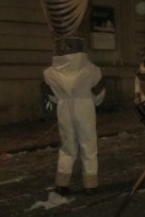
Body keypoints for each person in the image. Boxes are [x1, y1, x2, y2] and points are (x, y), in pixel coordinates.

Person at [43, 37, 106, 195]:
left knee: (67, 146)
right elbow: (99, 94)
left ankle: (62, 182)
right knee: (88, 145)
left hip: (64, 108)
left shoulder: (50, 72)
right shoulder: (91, 69)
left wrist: (62, 99)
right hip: (85, 106)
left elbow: (52, 96)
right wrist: (95, 101)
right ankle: (90, 184)